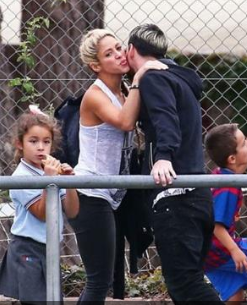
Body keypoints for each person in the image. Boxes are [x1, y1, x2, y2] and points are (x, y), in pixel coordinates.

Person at [125, 24, 222, 303]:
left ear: (132, 50)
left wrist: (164, 156)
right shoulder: (180, 79)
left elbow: (166, 119)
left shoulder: (153, 79)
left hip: (175, 195)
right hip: (198, 195)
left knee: (184, 284)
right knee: (188, 282)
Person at [71, 28, 166, 304]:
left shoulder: (124, 90)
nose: (119, 55)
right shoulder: (95, 94)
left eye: (118, 48)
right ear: (96, 65)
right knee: (99, 281)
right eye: (108, 54)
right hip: (91, 192)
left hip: (114, 195)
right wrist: (139, 77)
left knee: (110, 280)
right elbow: (125, 122)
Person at [0, 107, 79, 304]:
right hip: (28, 250)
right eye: (33, 141)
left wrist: (69, 183)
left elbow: (72, 210)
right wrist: (49, 181)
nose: (41, 148)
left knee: (53, 300)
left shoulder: (49, 171)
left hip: (50, 248)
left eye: (46, 142)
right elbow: (43, 214)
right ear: (20, 144)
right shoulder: (21, 177)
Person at [204, 124, 247, 303]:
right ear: (232, 158)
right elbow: (216, 226)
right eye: (244, 144)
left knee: (235, 296)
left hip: (207, 255)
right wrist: (235, 250)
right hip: (221, 250)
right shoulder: (228, 187)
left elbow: (239, 166)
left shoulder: (221, 174)